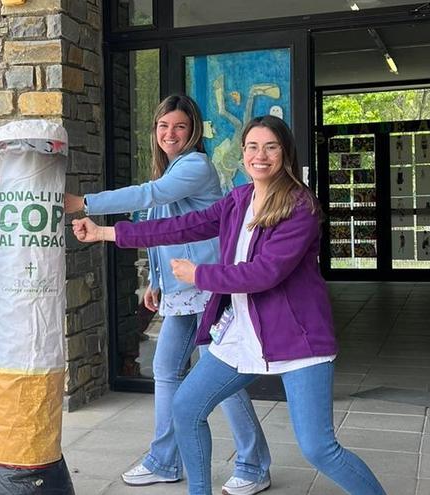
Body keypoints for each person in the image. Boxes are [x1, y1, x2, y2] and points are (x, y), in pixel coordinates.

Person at [72, 115, 385, 495]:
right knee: (186, 409)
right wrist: (108, 232)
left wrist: (199, 274)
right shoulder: (239, 199)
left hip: (298, 342)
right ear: (242, 155)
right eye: (252, 147)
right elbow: (182, 226)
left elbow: (263, 273)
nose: (260, 155)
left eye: (271, 147)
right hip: (242, 334)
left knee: (319, 449)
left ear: (284, 153)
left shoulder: (299, 206)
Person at [65, 94, 271, 494]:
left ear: (192, 130)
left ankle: (252, 464)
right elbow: (163, 232)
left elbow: (147, 196)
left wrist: (85, 202)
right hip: (180, 291)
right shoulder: (171, 171)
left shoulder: (194, 165)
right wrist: (155, 282)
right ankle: (164, 460)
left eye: (179, 126)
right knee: (165, 370)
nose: (170, 133)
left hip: (208, 286)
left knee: (219, 380)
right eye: (163, 126)